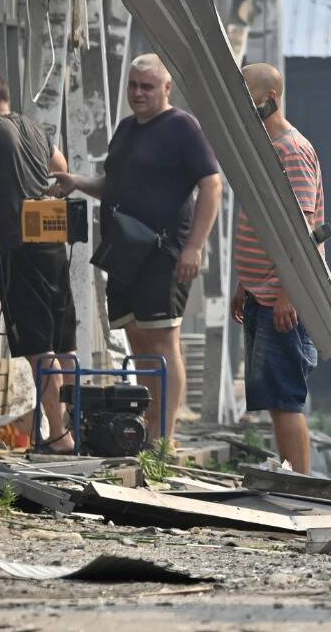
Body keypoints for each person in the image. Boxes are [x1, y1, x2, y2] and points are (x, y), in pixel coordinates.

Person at [54, 54, 222, 449]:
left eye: (147, 86)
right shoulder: (126, 128)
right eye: (132, 85)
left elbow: (211, 185)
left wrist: (194, 247)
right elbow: (112, 184)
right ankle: (147, 428)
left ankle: (165, 437)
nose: (138, 93)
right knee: (137, 339)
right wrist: (76, 181)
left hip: (164, 252)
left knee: (164, 341)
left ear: (167, 89)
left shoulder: (182, 127)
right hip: (122, 251)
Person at [0, 71, 77, 451]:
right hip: (52, 245)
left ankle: (58, 435)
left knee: (36, 344)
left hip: (18, 247)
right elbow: (62, 171)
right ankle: (75, 429)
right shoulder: (35, 128)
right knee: (63, 344)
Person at [229, 62, 326, 474]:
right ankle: (290, 481)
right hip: (260, 290)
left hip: (281, 294)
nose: (239, 102)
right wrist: (244, 284)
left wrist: (290, 291)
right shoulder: (262, 148)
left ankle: (300, 488)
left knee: (286, 399)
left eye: (246, 93)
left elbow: (303, 231)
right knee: (273, 397)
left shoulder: (291, 150)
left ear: (269, 99)